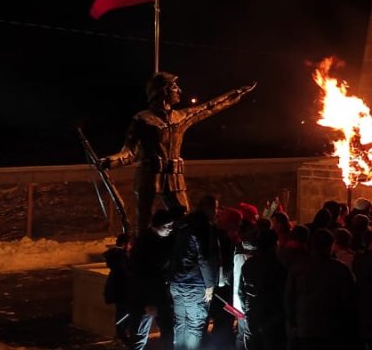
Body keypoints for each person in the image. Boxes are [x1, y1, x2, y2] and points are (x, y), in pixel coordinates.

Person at [101, 72, 256, 232]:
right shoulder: (143, 119)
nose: (179, 91)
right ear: (162, 91)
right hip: (149, 176)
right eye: (174, 87)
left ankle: (180, 249)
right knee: (143, 222)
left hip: (175, 178)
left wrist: (238, 93)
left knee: (184, 219)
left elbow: (210, 107)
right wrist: (110, 161)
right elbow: (129, 152)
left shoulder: (180, 117)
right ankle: (142, 251)